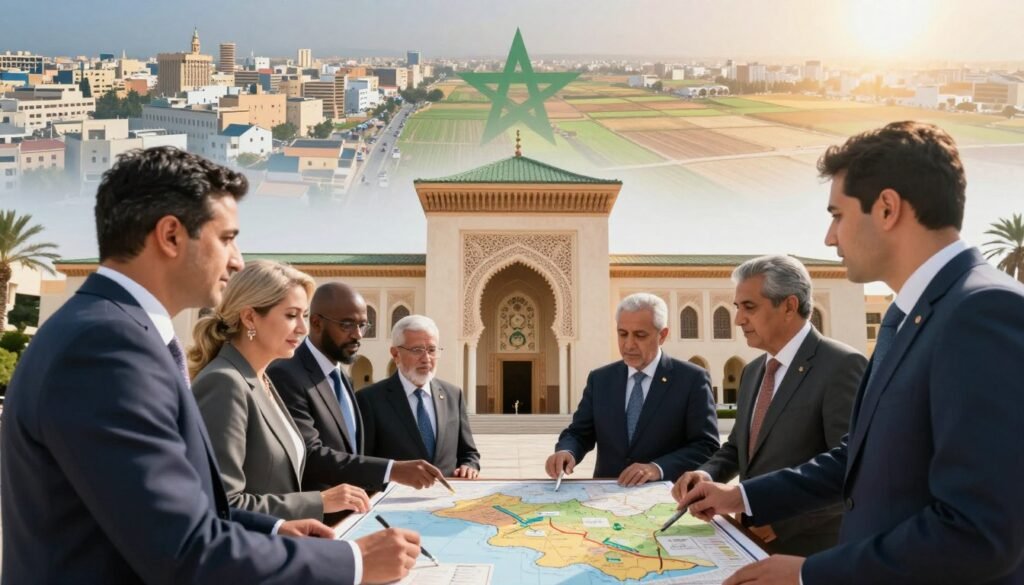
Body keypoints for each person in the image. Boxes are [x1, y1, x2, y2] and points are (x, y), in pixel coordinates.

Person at [0, 146, 419, 584]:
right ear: (171, 236)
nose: (237, 260)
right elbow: (180, 549)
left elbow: (182, 513)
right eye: (226, 239)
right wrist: (353, 562)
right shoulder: (106, 347)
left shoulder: (116, 330)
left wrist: (274, 529)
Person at [676, 121, 1024, 585]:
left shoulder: (982, 311)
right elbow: (857, 459)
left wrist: (811, 573)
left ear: (887, 209)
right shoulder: (907, 317)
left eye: (838, 215)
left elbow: (980, 532)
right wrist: (739, 497)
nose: (829, 237)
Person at [672, 255, 866, 555]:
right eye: (737, 308)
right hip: (751, 542)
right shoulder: (753, 372)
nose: (738, 320)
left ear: (789, 306)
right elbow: (738, 448)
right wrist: (706, 475)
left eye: (749, 307)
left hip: (810, 552)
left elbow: (854, 468)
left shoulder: (841, 365)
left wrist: (781, 522)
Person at [189, 260, 372, 520]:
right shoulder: (224, 383)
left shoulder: (261, 379)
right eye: (291, 315)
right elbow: (222, 505)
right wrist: (319, 502)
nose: (303, 329)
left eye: (304, 316)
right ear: (250, 317)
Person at [268, 282, 445, 491]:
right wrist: (392, 470)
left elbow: (352, 451)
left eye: (362, 325)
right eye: (347, 324)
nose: (358, 335)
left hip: (351, 506)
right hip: (316, 509)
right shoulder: (287, 374)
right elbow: (309, 455)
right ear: (316, 323)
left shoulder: (342, 377)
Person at [545, 293, 719, 486]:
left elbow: (706, 446)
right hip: (605, 494)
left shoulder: (691, 379)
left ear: (662, 335)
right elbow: (579, 433)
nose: (628, 344)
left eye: (640, 335)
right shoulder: (600, 379)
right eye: (622, 334)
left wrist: (657, 468)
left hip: (665, 495)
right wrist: (567, 451)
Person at [357, 315, 481, 478]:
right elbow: (362, 462)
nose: (426, 359)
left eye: (432, 350)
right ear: (395, 354)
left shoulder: (453, 395)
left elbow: (469, 453)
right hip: (396, 494)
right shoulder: (369, 400)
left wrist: (469, 466)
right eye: (417, 350)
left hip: (446, 493)